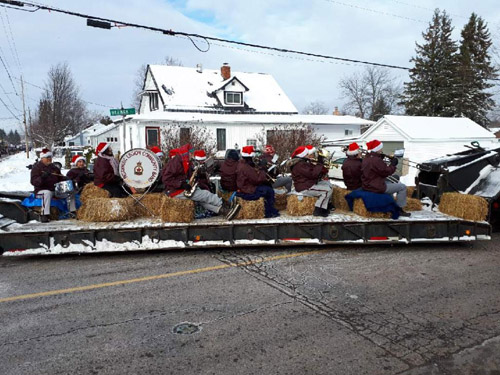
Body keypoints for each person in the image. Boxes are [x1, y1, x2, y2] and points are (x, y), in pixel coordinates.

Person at [162, 144, 239, 220]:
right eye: (191, 153)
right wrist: (181, 184)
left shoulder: (185, 161)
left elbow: (187, 175)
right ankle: (226, 204)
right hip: (175, 191)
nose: (192, 155)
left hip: (181, 189)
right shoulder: (175, 162)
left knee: (202, 201)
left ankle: (224, 211)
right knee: (205, 195)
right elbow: (166, 178)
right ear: (186, 153)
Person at [361, 139, 410, 217]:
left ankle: (390, 206)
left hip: (368, 184)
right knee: (402, 187)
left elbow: (377, 169)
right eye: (380, 148)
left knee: (391, 183)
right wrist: (393, 164)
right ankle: (399, 209)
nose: (381, 149)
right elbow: (386, 172)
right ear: (377, 149)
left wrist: (380, 157)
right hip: (376, 186)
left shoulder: (367, 158)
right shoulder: (376, 160)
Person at [30, 148, 76, 222]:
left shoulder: (54, 168)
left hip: (54, 190)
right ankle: (44, 214)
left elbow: (60, 178)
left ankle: (72, 211)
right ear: (42, 158)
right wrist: (42, 177)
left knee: (70, 192)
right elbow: (33, 182)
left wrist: (67, 179)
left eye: (50, 157)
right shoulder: (36, 168)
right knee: (47, 193)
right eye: (47, 157)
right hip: (40, 191)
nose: (49, 159)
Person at [236, 145, 279, 218]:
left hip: (246, 186)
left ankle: (269, 210)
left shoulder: (242, 163)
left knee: (266, 187)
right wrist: (262, 168)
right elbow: (258, 180)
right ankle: (269, 213)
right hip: (248, 190)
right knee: (269, 190)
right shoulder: (246, 167)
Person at [289, 145, 334, 217]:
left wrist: (322, 168)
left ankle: (327, 205)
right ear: (302, 155)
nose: (309, 155)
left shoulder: (303, 163)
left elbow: (313, 171)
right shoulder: (300, 165)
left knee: (328, 185)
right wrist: (320, 163)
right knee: (327, 190)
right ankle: (319, 210)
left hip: (307, 183)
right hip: (304, 187)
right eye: (307, 154)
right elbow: (313, 174)